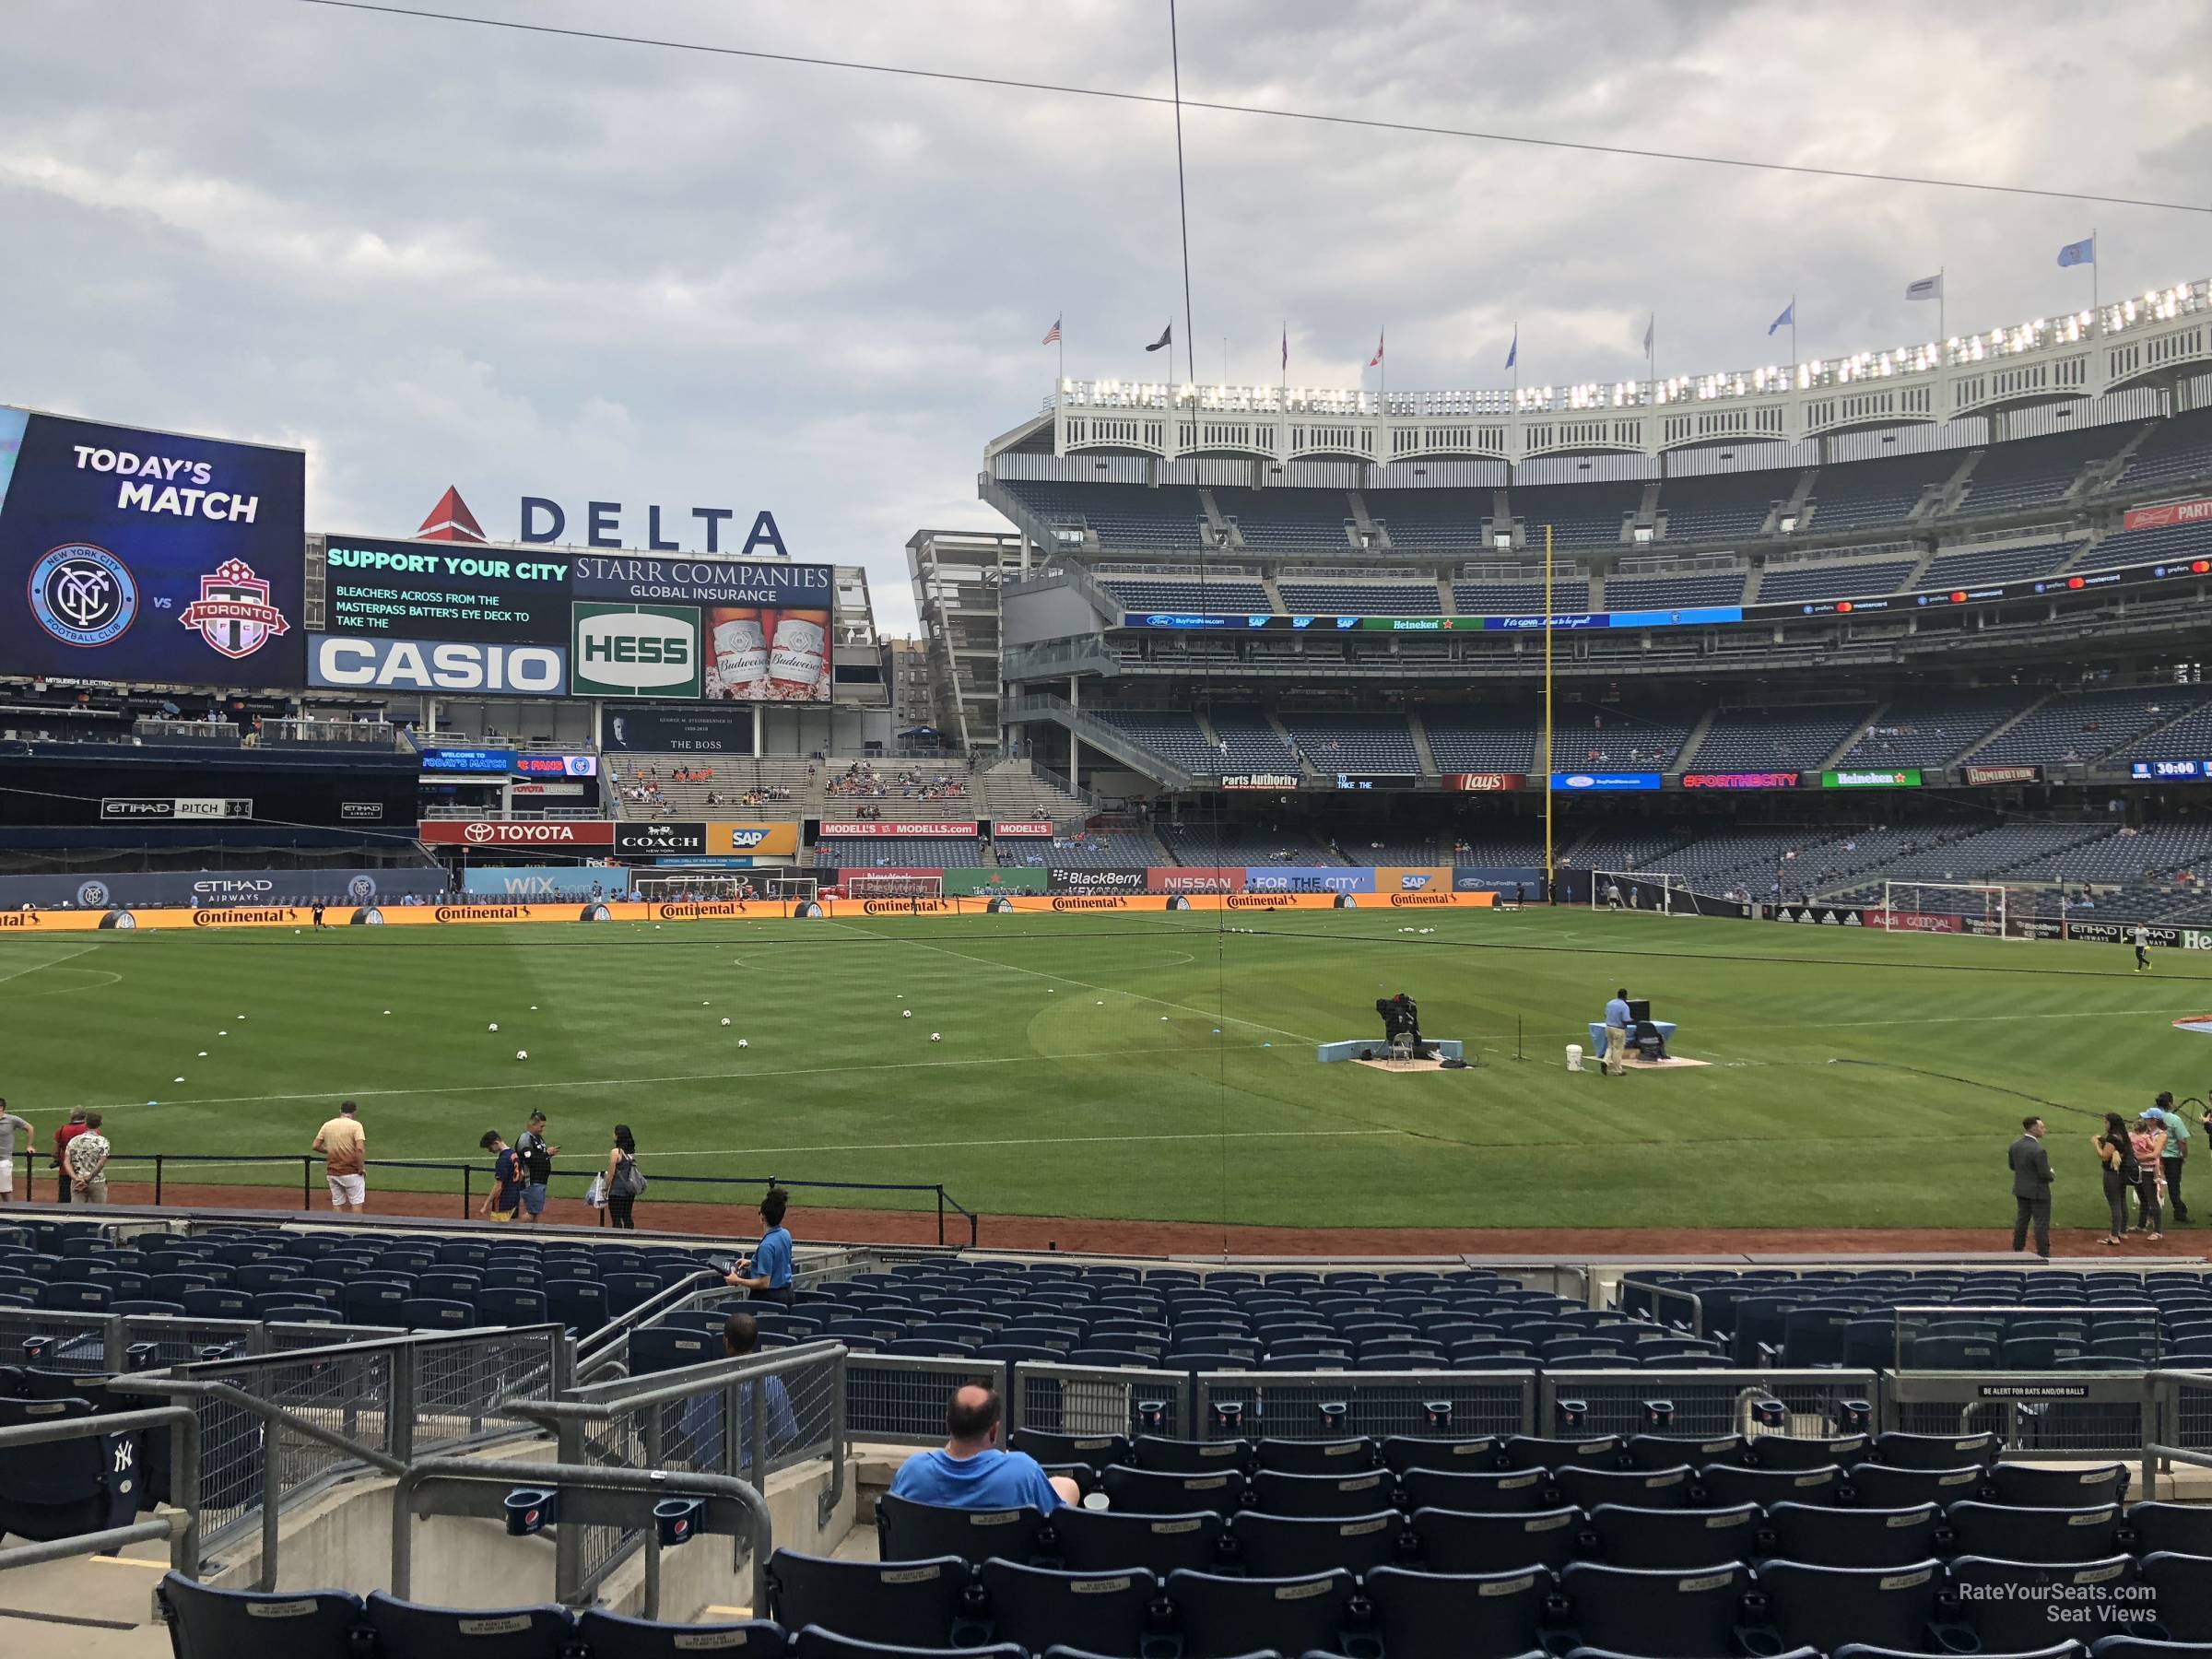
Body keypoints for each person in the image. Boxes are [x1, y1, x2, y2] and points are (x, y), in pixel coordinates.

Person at [888, 1383, 1079, 1512]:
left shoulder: (912, 1471)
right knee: (1067, 1486)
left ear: (947, 1422)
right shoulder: (1023, 1471)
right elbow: (1055, 1519)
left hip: (935, 1571)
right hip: (1005, 1573)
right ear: (994, 1431)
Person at [725, 1187, 796, 1306]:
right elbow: (779, 1261)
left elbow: (764, 1283)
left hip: (769, 1299)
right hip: (788, 1294)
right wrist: (753, 1262)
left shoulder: (766, 1246)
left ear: (762, 1217)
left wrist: (738, 1280)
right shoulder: (785, 1234)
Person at [2007, 1115, 2053, 1259]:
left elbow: (2012, 1166)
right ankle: (2043, 1253)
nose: (2044, 1129)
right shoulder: (2039, 1150)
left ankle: (2018, 1249)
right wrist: (2052, 1173)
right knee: (2041, 1223)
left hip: (2021, 1189)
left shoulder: (2015, 1145)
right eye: (2041, 1127)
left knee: (2022, 1220)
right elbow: (2045, 1174)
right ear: (2033, 1128)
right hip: (2039, 1192)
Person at [312, 1100, 367, 1212]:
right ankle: (356, 1229)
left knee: (337, 1203)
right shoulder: (356, 1126)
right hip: (351, 1172)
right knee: (356, 1203)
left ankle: (336, 1228)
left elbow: (315, 1146)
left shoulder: (328, 1125)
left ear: (340, 1110)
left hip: (332, 1172)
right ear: (354, 1111)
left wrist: (331, 1150)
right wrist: (361, 1168)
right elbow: (360, 1149)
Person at [2094, 1112, 2139, 1247]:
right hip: (2123, 1173)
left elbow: (2104, 1156)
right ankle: (2122, 1231)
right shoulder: (2123, 1136)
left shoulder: (2112, 1138)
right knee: (2122, 1201)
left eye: (2106, 1122)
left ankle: (2113, 1236)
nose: (2105, 1124)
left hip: (2112, 1174)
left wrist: (2096, 1143)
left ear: (2111, 1123)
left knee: (2115, 1204)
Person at [2149, 1091, 2192, 1225]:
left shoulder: (2151, 1117)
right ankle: (2179, 1213)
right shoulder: (2175, 1120)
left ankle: (2150, 1211)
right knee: (2174, 1186)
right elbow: (2182, 1141)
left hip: (2155, 1157)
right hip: (2173, 1158)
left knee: (2153, 1185)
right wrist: (2184, 1156)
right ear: (2170, 1103)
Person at [515, 1111, 558, 1224]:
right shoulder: (525, 1139)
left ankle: (532, 1236)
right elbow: (530, 1160)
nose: (542, 1129)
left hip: (540, 1181)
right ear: (533, 1124)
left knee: (534, 1212)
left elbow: (539, 1158)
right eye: (541, 1126)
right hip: (532, 1181)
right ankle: (516, 1234)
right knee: (531, 1213)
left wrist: (548, 1154)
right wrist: (546, 1154)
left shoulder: (538, 1138)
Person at [2131, 1111, 2168, 1240]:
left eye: (2147, 1118)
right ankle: (2141, 1225)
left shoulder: (2161, 1135)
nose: (2144, 1119)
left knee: (2153, 1200)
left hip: (2151, 1169)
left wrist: (2135, 1158)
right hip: (2139, 1169)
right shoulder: (2145, 1134)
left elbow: (2155, 1154)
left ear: (2154, 1120)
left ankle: (2158, 1231)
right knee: (2143, 1198)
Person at [65, 1111, 111, 1205]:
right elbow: (101, 1163)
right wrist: (87, 1179)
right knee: (99, 1213)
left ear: (85, 1122)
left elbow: (66, 1161)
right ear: (100, 1123)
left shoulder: (74, 1140)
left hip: (77, 1182)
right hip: (96, 1181)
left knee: (76, 1213)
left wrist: (76, 1179)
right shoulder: (103, 1142)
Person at [604, 1124, 641, 1230]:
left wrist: (605, 1188)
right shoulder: (631, 1152)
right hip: (629, 1191)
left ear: (618, 1136)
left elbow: (611, 1174)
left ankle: (618, 1241)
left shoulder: (616, 1152)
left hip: (616, 1191)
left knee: (616, 1219)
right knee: (627, 1216)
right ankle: (630, 1239)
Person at [480, 1129, 523, 1222]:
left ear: (496, 1143)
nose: (489, 1150)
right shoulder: (513, 1153)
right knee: (513, 1228)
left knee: (498, 1231)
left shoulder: (502, 1160)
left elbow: (498, 1187)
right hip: (515, 1199)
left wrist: (485, 1205)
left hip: (503, 1202)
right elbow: (522, 1174)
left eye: (489, 1147)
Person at [53, 1108, 87, 1205]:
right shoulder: (90, 1130)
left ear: (72, 1116)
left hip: (66, 1171)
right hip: (86, 1172)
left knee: (64, 1201)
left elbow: (55, 1152)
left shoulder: (62, 1129)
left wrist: (57, 1159)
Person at [0, 1100, 28, 1207]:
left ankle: (12, 1213)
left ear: (1, 1108)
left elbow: (29, 1128)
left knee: (5, 1192)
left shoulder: (11, 1120)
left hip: (4, 1162)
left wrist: (29, 1145)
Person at [1602, 988, 1632, 1078]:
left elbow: (1605, 1014)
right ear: (1625, 996)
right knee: (1617, 1050)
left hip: (1608, 1027)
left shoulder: (1610, 1003)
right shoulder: (1624, 1006)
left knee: (1610, 1047)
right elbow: (1625, 1020)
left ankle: (1605, 1062)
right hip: (1618, 1030)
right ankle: (1618, 1070)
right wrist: (1633, 1021)